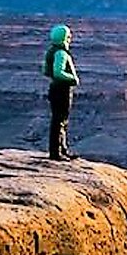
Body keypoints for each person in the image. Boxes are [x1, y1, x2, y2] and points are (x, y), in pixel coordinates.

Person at [42, 23, 79, 160]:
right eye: (68, 36)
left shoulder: (51, 51)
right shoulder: (61, 53)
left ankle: (62, 149)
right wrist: (73, 79)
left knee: (59, 120)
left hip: (54, 88)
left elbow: (45, 70)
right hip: (62, 90)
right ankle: (56, 152)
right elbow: (58, 72)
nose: (70, 39)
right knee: (60, 120)